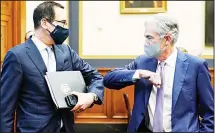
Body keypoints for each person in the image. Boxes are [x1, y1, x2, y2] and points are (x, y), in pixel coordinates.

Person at [0, 2, 104, 132]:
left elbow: (96, 77)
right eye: (62, 22)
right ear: (45, 23)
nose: (66, 28)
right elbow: (5, 108)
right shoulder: (17, 56)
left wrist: (92, 96)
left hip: (66, 128)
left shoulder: (66, 51)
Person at [103, 14, 214, 132]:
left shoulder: (195, 66)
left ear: (167, 39)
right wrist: (140, 73)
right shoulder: (142, 62)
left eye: (149, 37)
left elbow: (209, 113)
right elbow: (108, 79)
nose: (145, 43)